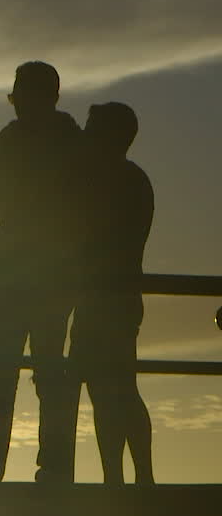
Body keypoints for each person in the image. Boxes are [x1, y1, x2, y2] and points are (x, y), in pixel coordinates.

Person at [0, 62, 84, 483]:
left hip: (18, 271)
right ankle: (53, 468)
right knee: (49, 373)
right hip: (55, 275)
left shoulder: (13, 138)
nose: (16, 105)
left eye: (18, 97)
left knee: (1, 373)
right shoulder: (73, 139)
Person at [71, 103, 154, 485]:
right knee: (115, 387)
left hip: (106, 298)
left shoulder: (109, 180)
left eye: (91, 127)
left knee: (112, 389)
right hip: (114, 297)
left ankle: (122, 478)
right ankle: (129, 477)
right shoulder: (133, 178)